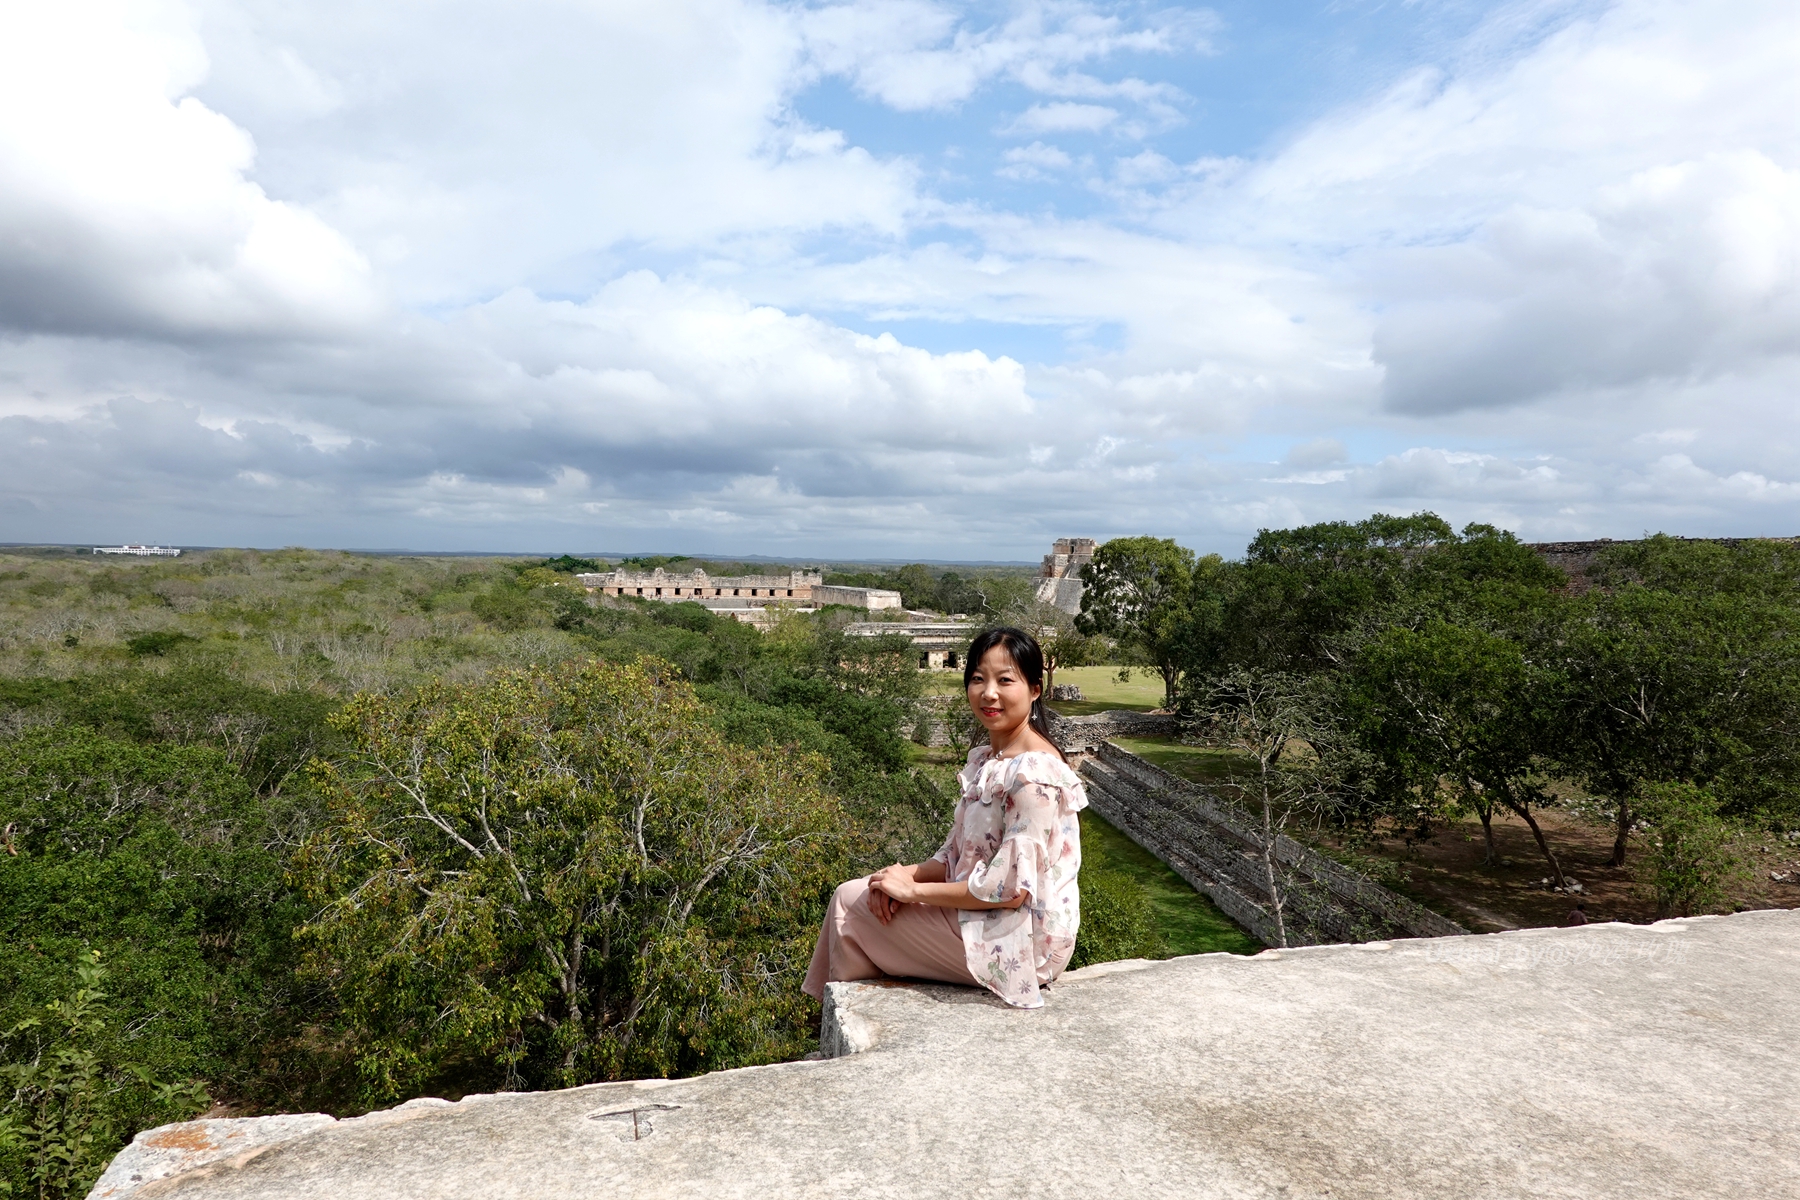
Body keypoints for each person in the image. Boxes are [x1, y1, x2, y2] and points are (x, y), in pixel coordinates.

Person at [802, 627, 1087, 1009]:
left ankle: (834, 1018)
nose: (989, 693)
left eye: (1005, 680)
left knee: (848, 906)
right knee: (868, 891)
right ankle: (848, 1009)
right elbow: (958, 854)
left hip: (1021, 940)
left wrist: (913, 892)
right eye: (977, 679)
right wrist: (903, 874)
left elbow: (1010, 890)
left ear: (1035, 689)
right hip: (987, 917)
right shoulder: (993, 760)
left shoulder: (1033, 774)